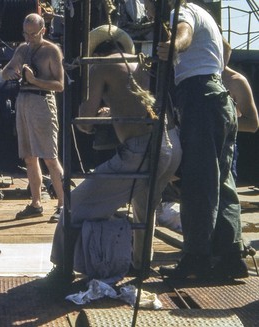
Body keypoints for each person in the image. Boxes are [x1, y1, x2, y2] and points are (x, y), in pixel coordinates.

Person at [39, 24, 181, 288]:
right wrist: (114, 111)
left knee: (74, 205)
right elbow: (137, 102)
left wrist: (91, 111)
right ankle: (141, 264)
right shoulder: (143, 62)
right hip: (171, 143)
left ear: (95, 50)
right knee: (144, 206)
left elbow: (85, 121)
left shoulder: (100, 66)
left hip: (140, 149)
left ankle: (61, 270)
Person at [149, 0, 249, 280]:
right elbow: (225, 50)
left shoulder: (181, 11)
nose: (147, 11)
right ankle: (231, 257)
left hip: (199, 98)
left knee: (198, 181)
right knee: (223, 182)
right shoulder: (205, 14)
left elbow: (184, 32)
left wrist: (174, 47)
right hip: (219, 98)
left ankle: (196, 259)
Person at [1, 13, 65, 221]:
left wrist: (35, 80)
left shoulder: (51, 51)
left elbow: (60, 85)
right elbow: (6, 70)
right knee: (29, 157)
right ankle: (36, 202)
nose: (29, 38)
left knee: (50, 157)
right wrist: (11, 71)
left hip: (42, 101)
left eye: (33, 34)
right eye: (26, 33)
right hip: (23, 101)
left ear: (43, 31)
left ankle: (64, 204)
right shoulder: (22, 48)